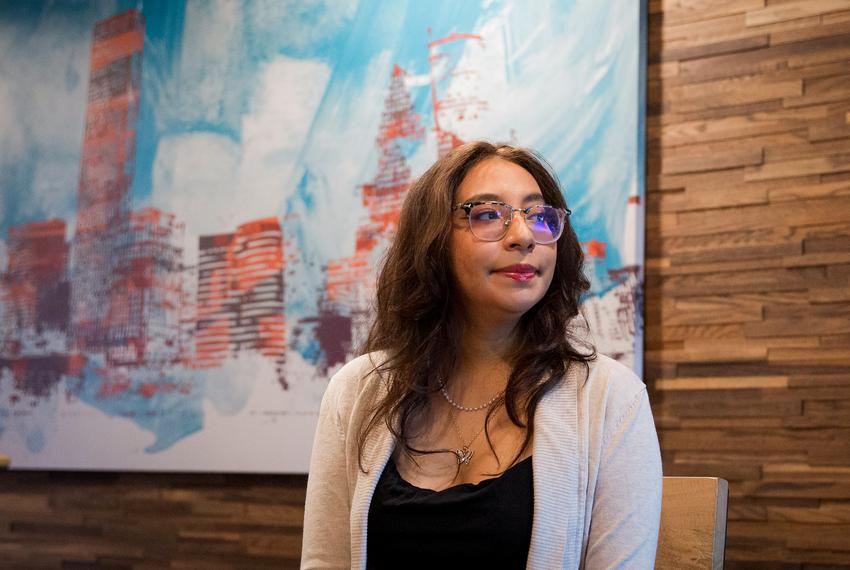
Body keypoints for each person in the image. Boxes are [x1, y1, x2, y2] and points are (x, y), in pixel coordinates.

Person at [301, 141, 662, 569]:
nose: (524, 236)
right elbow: (326, 561)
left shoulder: (611, 400)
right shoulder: (356, 391)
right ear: (432, 240)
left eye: (539, 216)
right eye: (489, 215)